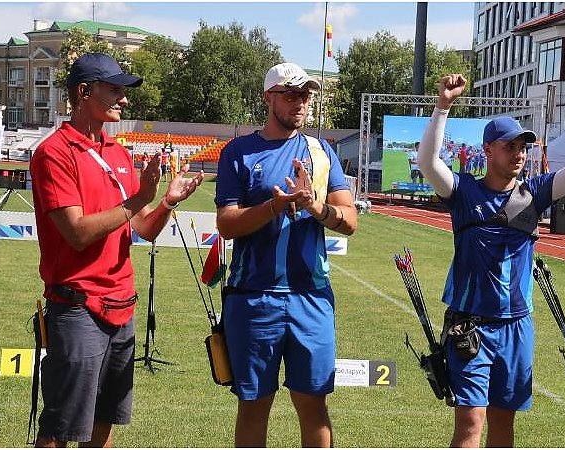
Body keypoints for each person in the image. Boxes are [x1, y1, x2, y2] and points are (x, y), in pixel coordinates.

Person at [418, 74, 565, 447]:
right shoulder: (463, 191)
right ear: (488, 150)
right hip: (470, 327)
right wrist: (443, 106)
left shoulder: (533, 193)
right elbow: (427, 162)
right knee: (470, 424)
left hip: (517, 327)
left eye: (522, 146)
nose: (519, 153)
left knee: (504, 426)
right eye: (509, 146)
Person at [29, 52, 204, 447]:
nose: (124, 100)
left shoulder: (119, 153)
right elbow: (76, 233)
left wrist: (166, 202)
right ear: (84, 92)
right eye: (115, 90)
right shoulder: (54, 152)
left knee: (104, 420)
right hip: (76, 309)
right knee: (59, 427)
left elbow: (143, 227)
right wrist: (138, 197)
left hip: (121, 305)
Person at [214, 62, 357, 448]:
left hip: (311, 298)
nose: (300, 103)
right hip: (253, 298)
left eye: (305, 95)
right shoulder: (239, 152)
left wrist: (315, 208)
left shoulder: (321, 150)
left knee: (313, 404)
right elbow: (226, 223)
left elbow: (350, 221)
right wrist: (273, 208)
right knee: (254, 405)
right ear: (268, 98)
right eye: (291, 95)